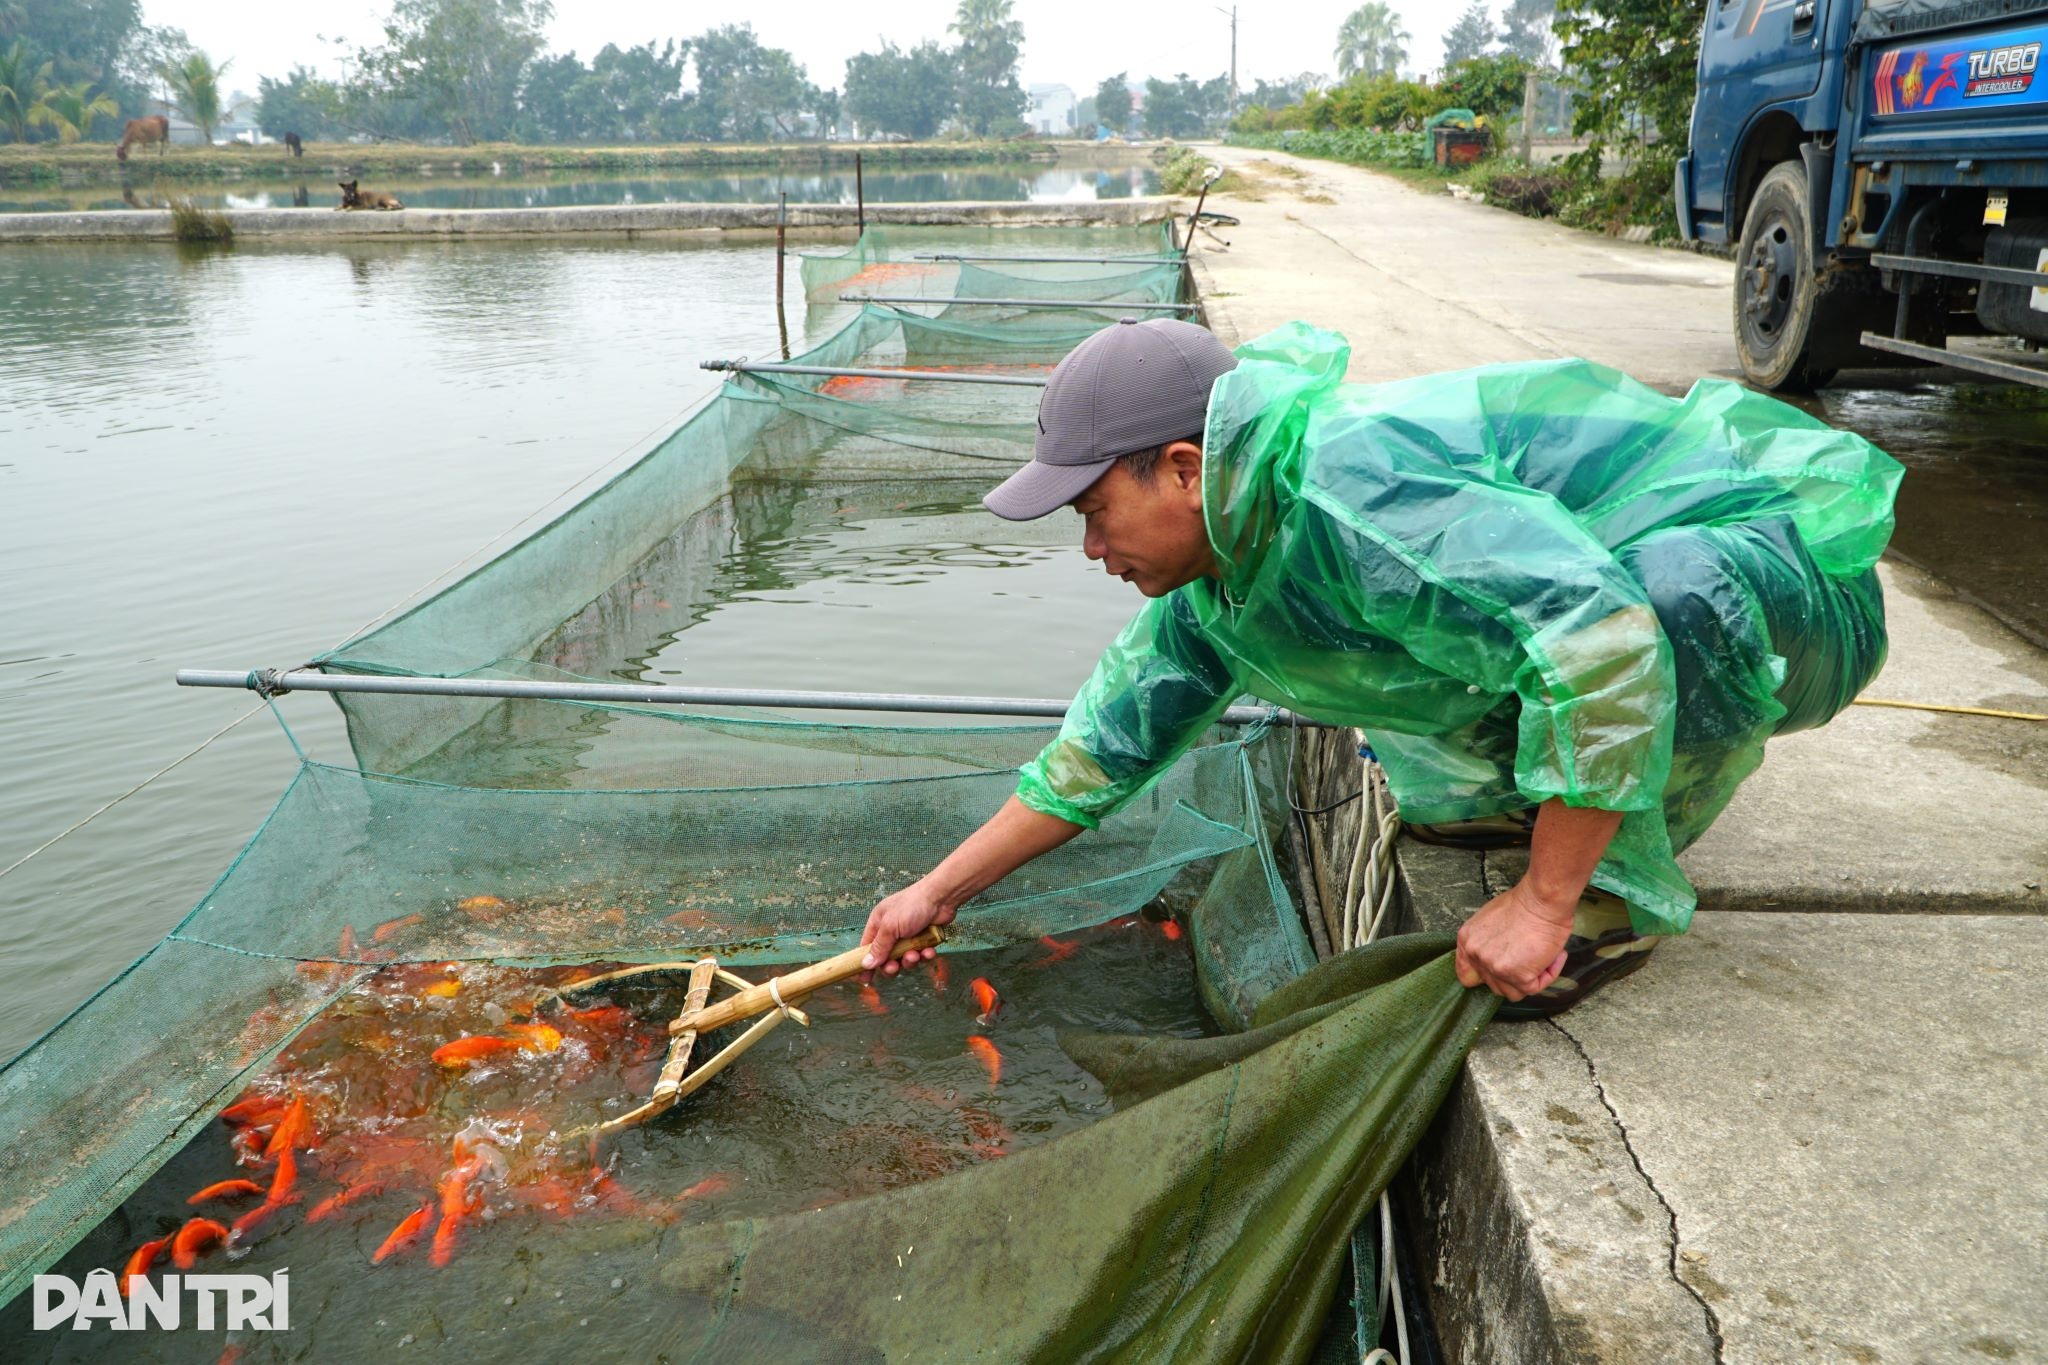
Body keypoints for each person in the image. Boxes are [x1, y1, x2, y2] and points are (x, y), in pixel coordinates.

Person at [859, 318, 1898, 1016]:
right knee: (1471, 654)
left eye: (1092, 515)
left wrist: (1537, 900)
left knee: (1664, 595)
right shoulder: (1219, 571)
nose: (1091, 551)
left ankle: (1607, 889)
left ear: (1181, 470)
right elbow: (1101, 752)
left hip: (1776, 583)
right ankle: (1535, 810)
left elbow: (1597, 636)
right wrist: (935, 891)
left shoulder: (1350, 497)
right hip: (1615, 591)